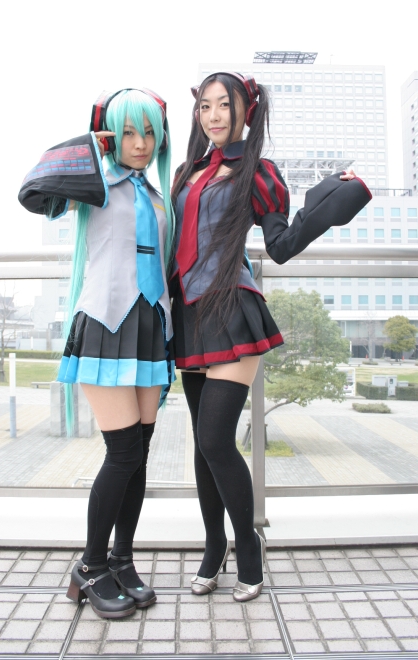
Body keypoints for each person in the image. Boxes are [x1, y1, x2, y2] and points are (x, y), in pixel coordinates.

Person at [170, 72, 371, 602]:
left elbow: (280, 245)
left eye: (225, 105)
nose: (214, 115)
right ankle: (214, 546)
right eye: (205, 106)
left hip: (233, 308)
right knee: (202, 445)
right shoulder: (186, 173)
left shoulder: (258, 173)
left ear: (246, 111)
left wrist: (335, 193)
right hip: (188, 315)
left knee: (216, 439)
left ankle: (248, 546)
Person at [19, 88, 175, 618]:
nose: (140, 143)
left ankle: (121, 560)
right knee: (123, 453)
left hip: (150, 327)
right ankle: (89, 566)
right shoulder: (94, 184)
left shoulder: (159, 198)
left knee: (141, 452)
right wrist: (90, 145)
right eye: (128, 132)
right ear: (111, 136)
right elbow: (34, 191)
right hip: (106, 324)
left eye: (149, 132)